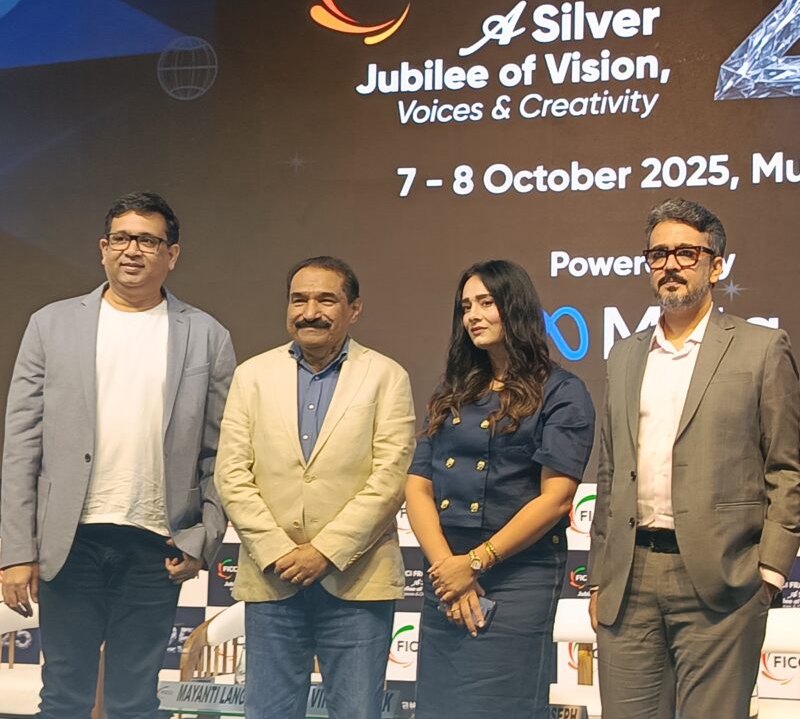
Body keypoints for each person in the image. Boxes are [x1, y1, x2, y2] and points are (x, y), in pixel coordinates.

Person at [1, 192, 235, 719]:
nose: (133, 250)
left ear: (171, 255)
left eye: (148, 241)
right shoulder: (50, 324)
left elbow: (222, 452)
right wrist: (16, 551)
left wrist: (204, 538)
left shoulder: (207, 335)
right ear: (103, 248)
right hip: (69, 542)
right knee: (63, 697)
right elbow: (21, 445)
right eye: (122, 238)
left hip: (157, 545)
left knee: (135, 700)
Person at [589, 197, 800, 719]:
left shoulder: (761, 348)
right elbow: (610, 470)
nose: (671, 265)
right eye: (658, 254)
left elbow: (786, 468)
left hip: (723, 582)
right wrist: (599, 576)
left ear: (716, 266)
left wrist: (769, 574)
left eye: (687, 253)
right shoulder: (624, 355)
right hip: (629, 580)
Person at [214, 256, 415, 719]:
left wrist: (325, 551)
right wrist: (277, 551)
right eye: (298, 300)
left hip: (357, 580)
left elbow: (390, 478)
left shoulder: (387, 376)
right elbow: (231, 473)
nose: (310, 312)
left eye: (326, 300)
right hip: (272, 577)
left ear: (354, 309)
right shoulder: (252, 375)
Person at [405, 259, 595, 719]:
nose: (473, 315)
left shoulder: (562, 392)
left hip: (518, 574)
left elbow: (556, 499)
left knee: (502, 706)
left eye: (486, 303)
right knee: (438, 708)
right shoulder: (452, 390)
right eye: (466, 306)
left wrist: (474, 563)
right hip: (446, 575)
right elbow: (417, 486)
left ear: (515, 307)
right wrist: (448, 570)